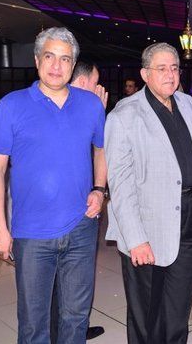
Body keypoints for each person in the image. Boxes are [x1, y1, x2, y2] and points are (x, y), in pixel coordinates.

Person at [0, 27, 106, 344]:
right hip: (31, 233)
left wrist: (99, 189)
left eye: (65, 59)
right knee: (33, 325)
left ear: (73, 64)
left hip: (81, 227)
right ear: (37, 60)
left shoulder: (91, 105)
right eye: (50, 56)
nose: (56, 65)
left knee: (76, 318)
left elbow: (101, 149)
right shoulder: (11, 105)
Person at [105, 42, 192, 344]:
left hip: (189, 215)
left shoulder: (187, 104)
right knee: (147, 313)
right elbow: (120, 184)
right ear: (145, 74)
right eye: (161, 68)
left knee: (178, 307)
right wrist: (136, 238)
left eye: (174, 68)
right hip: (147, 225)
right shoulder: (124, 116)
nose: (170, 75)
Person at [48, 59, 107, 341]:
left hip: (83, 205)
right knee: (57, 279)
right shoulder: (60, 107)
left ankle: (75, 328)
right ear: (83, 83)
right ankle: (59, 332)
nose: (100, 88)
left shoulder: (87, 108)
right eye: (96, 83)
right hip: (58, 211)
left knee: (76, 279)